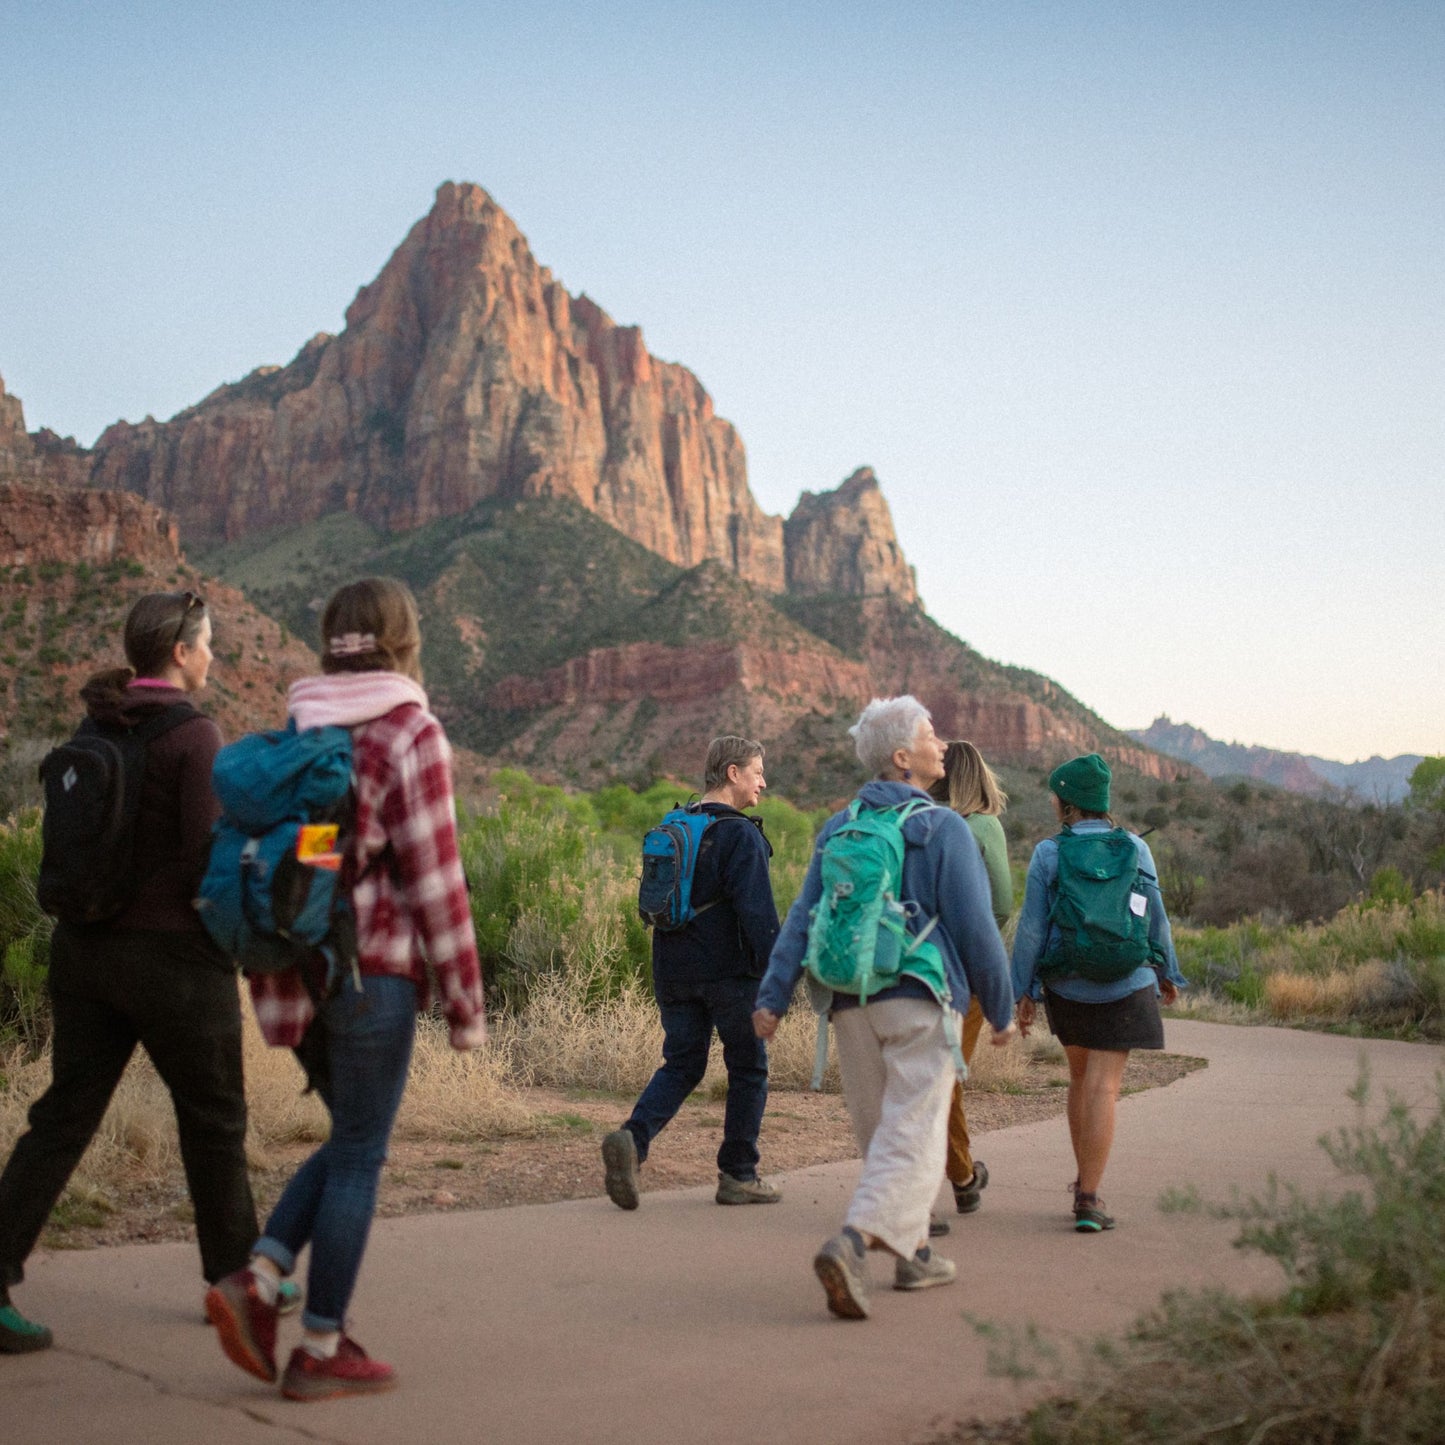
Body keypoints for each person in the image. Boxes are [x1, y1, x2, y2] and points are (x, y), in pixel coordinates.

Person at [205, 577, 487, 1402]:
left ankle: (260, 1276)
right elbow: (437, 879)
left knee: (349, 1138)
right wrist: (466, 1004)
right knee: (361, 1152)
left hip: (303, 970)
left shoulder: (306, 727)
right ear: (404, 640)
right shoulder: (410, 731)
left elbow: (316, 856)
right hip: (374, 974)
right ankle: (320, 1344)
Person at [0, 591, 267, 1354]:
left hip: (84, 951)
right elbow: (209, 860)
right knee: (214, 1123)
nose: (214, 654)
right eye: (208, 642)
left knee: (61, 1118)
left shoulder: (100, 721)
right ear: (180, 652)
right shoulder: (194, 734)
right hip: (174, 962)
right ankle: (233, 1287)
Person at [753, 697, 1015, 1320]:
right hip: (921, 1000)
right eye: (930, 734)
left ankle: (916, 1255)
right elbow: (976, 927)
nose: (942, 744)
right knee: (915, 1134)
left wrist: (772, 997)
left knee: (883, 1137)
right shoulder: (943, 827)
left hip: (848, 1004)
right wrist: (1000, 1007)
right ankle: (850, 1244)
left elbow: (801, 917)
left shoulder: (840, 827)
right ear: (903, 758)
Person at [602, 736, 782, 1210]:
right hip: (729, 975)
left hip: (672, 969)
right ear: (732, 773)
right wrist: (779, 977)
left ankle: (634, 1138)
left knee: (683, 1063)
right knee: (747, 1067)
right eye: (757, 771)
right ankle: (738, 1174)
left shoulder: (675, 823)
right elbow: (758, 916)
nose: (763, 781)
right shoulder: (740, 834)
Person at [1010, 753, 1186, 1232]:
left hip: (1068, 982)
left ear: (1067, 802)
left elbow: (1030, 929)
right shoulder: (1134, 846)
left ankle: (1082, 1184)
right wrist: (1167, 970)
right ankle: (1088, 1196)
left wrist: (1021, 990)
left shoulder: (1050, 853)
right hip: (1127, 981)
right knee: (1105, 1087)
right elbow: (1155, 914)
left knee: (1079, 1079)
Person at [928, 740, 1014, 1220]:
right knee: (945, 1077)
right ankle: (959, 1176)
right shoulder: (983, 826)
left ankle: (959, 1176)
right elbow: (1000, 903)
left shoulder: (927, 823)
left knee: (936, 1076)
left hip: (919, 966)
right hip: (967, 974)